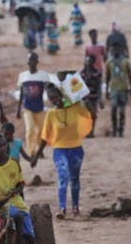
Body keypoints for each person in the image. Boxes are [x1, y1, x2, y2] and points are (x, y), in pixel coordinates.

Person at [36, 82, 93, 218]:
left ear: (62, 95)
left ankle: (75, 207)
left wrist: (85, 99)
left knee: (75, 179)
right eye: (52, 99)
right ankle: (62, 209)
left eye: (56, 97)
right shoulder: (51, 114)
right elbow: (45, 136)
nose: (55, 101)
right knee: (63, 178)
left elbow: (92, 114)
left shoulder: (75, 108)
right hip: (59, 150)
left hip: (76, 149)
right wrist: (37, 155)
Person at [16, 51, 54, 160]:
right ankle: (32, 152)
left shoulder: (43, 75)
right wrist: (18, 109)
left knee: (41, 131)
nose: (31, 62)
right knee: (30, 129)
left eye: (33, 60)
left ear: (37, 62)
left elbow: (49, 89)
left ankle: (39, 150)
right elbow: (22, 93)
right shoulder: (23, 76)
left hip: (39, 107)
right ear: (27, 62)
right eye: (30, 60)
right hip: (27, 107)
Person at [105, 44, 131, 138]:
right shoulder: (109, 62)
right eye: (113, 49)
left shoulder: (125, 61)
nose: (114, 51)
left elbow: (130, 75)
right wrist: (106, 89)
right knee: (113, 109)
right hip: (113, 89)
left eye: (116, 49)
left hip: (123, 89)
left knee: (122, 111)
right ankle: (114, 129)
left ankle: (121, 129)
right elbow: (107, 77)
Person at [80, 53, 103, 138]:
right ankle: (87, 131)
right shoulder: (82, 73)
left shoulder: (97, 73)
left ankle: (91, 132)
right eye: (87, 61)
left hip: (93, 97)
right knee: (85, 116)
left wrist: (100, 99)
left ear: (93, 62)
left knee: (93, 115)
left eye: (89, 61)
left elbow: (99, 87)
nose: (87, 62)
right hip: (84, 98)